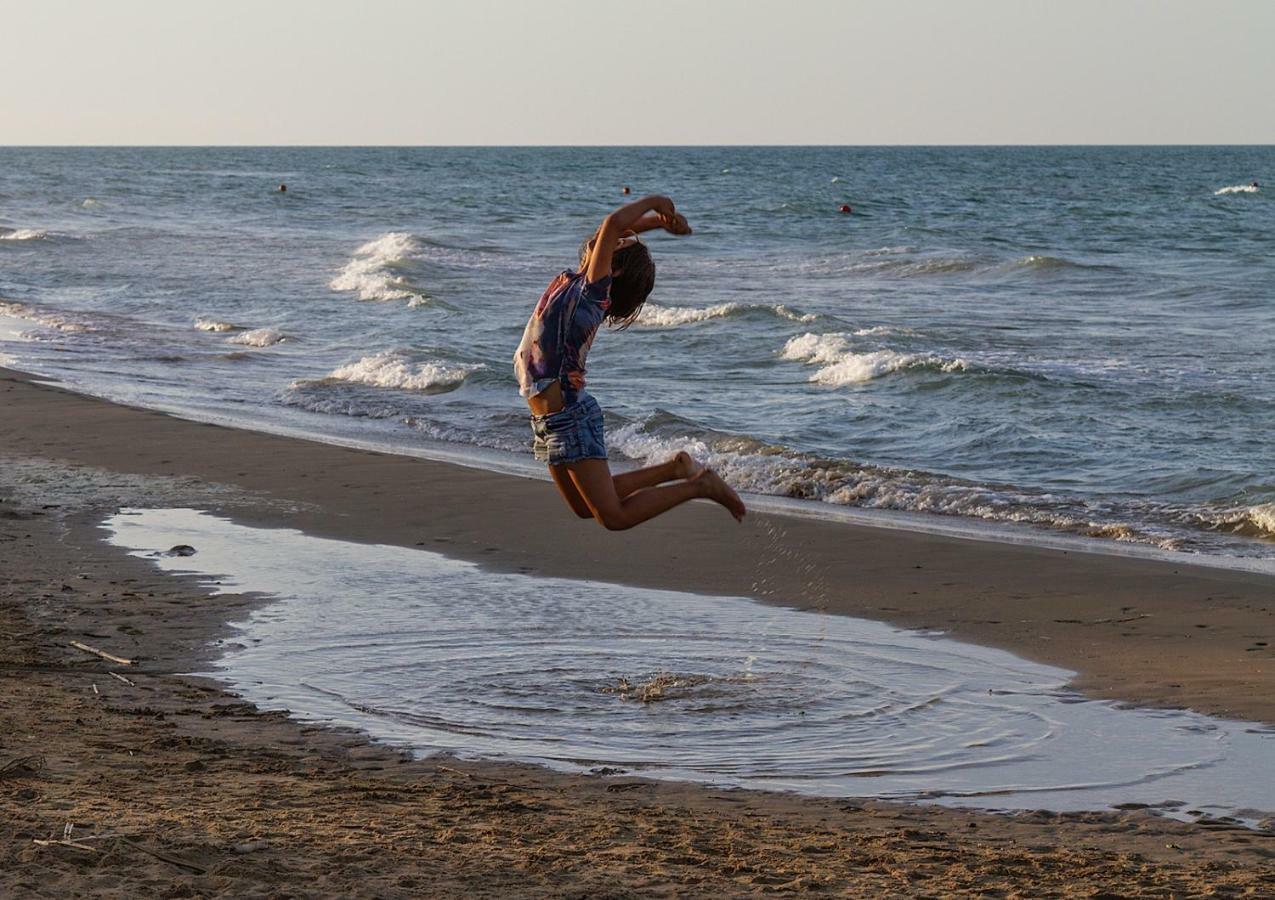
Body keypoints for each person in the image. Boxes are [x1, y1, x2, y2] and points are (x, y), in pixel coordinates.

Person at [512, 194, 747, 530]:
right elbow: (604, 233)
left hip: (569, 415)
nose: (606, 241)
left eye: (616, 245)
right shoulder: (578, 281)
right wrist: (658, 223)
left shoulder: (592, 294)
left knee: (614, 517)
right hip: (547, 419)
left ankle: (700, 485)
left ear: (614, 268)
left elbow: (612, 224)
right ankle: (675, 468)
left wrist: (657, 201)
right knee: (584, 507)